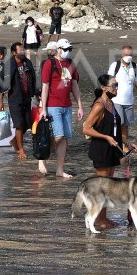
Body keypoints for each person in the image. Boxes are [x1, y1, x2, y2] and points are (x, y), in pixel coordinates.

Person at [82, 74, 137, 229]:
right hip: (101, 149)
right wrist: (105, 137)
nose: (116, 88)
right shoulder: (99, 105)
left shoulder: (112, 104)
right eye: (114, 85)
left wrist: (127, 143)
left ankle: (103, 218)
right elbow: (86, 128)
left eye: (117, 85)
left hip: (112, 150)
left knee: (109, 187)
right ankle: (98, 220)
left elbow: (116, 130)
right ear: (103, 88)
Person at [39, 38, 83, 178]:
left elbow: (74, 85)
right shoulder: (49, 64)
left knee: (64, 138)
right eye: (65, 49)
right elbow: (45, 87)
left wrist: (80, 106)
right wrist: (44, 108)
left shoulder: (70, 64)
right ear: (58, 49)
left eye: (69, 49)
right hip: (53, 105)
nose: (67, 52)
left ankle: (59, 169)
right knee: (58, 136)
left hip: (67, 106)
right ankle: (42, 157)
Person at [107, 45, 137, 144]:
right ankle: (116, 143)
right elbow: (110, 81)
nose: (128, 56)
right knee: (119, 123)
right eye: (126, 54)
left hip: (129, 101)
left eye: (130, 55)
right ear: (122, 54)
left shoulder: (135, 66)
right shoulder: (115, 65)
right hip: (117, 101)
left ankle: (124, 145)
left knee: (126, 125)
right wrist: (108, 97)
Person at [7, 42, 36, 159]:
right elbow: (2, 83)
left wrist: (36, 93)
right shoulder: (9, 65)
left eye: (23, 50)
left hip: (26, 97)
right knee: (18, 125)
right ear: (14, 53)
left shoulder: (27, 62)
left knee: (28, 123)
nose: (22, 52)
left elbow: (33, 78)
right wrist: (0, 101)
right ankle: (20, 149)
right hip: (15, 98)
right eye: (20, 50)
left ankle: (14, 141)